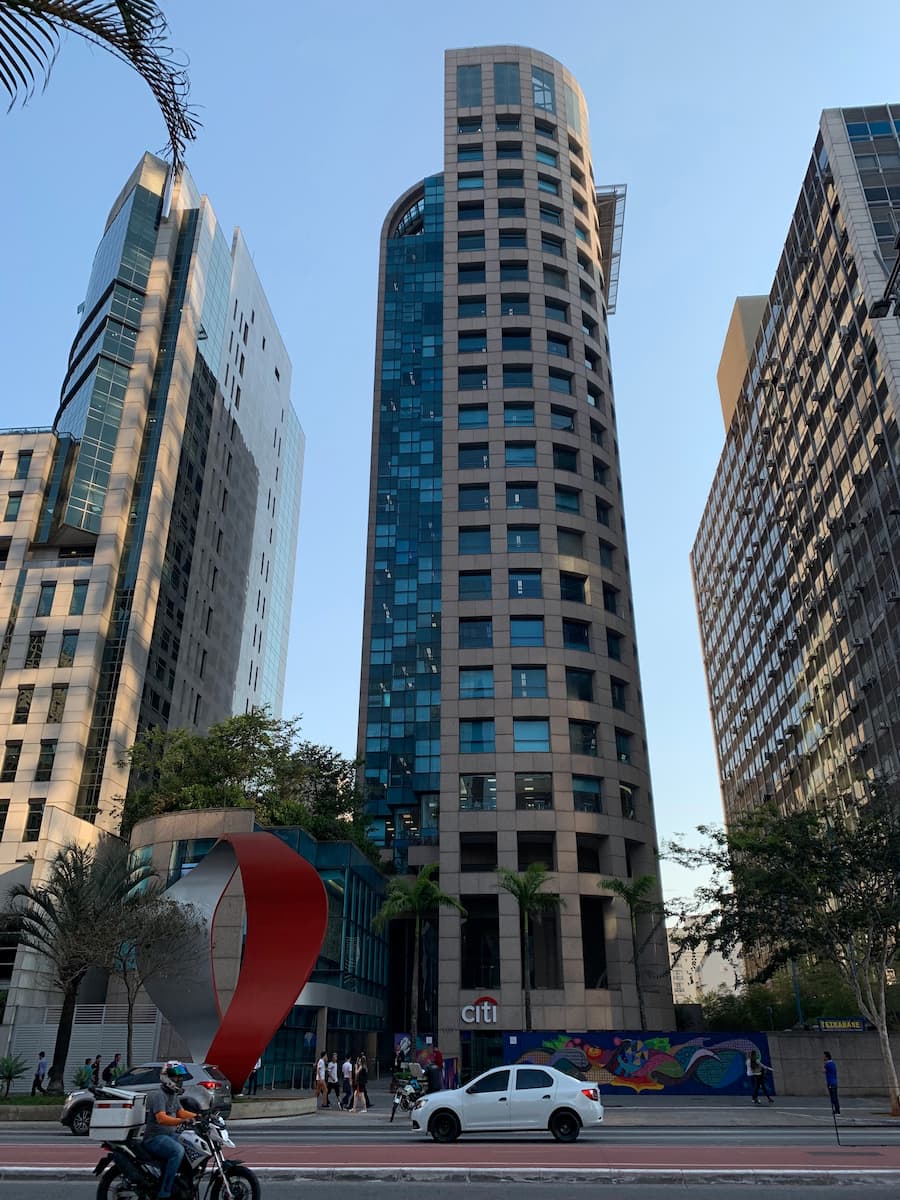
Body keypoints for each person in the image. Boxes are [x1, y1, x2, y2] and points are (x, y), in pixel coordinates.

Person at [140, 1061, 197, 1200]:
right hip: (154, 1138)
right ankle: (164, 1192)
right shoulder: (159, 1095)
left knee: (191, 1144)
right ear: (166, 1077)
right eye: (176, 1076)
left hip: (169, 1135)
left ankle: (182, 1182)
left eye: (181, 1077)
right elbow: (161, 1118)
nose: (180, 1079)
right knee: (177, 1151)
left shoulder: (173, 1095)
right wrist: (181, 1121)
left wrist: (200, 1116)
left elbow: (180, 1112)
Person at [824, 1050, 840, 1115]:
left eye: (824, 1056)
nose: (823, 1058)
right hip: (834, 1082)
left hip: (830, 1083)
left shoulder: (827, 1064)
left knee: (833, 1098)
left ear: (827, 1057)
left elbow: (824, 1070)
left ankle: (836, 1110)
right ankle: (837, 1110)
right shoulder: (833, 1063)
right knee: (835, 1097)